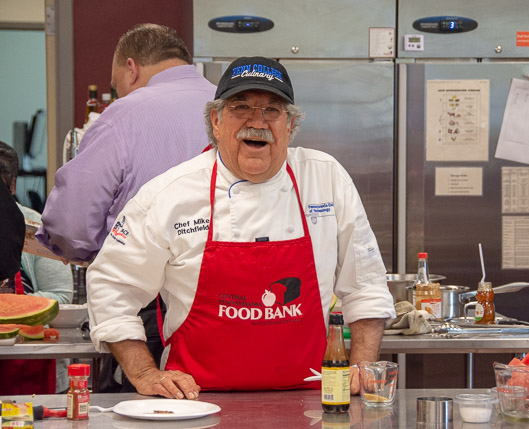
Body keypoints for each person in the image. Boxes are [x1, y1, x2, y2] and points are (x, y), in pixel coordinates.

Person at [87, 56, 396, 399]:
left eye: (272, 110)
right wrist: (144, 373)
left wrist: (361, 365)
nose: (257, 122)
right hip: (196, 402)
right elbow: (112, 286)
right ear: (216, 120)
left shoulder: (325, 179)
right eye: (241, 107)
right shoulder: (169, 193)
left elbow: (366, 285)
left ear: (290, 125)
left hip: (312, 401)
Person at [35, 23, 216, 391]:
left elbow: (70, 226)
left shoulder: (124, 113)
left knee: (154, 403)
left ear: (131, 68)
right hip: (238, 303)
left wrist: (86, 252)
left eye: (117, 85)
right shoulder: (233, 107)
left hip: (149, 306)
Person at [0, 141, 73, 394]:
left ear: (11, 186)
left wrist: (15, 306)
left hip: (31, 366)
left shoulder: (36, 228)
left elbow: (61, 295)